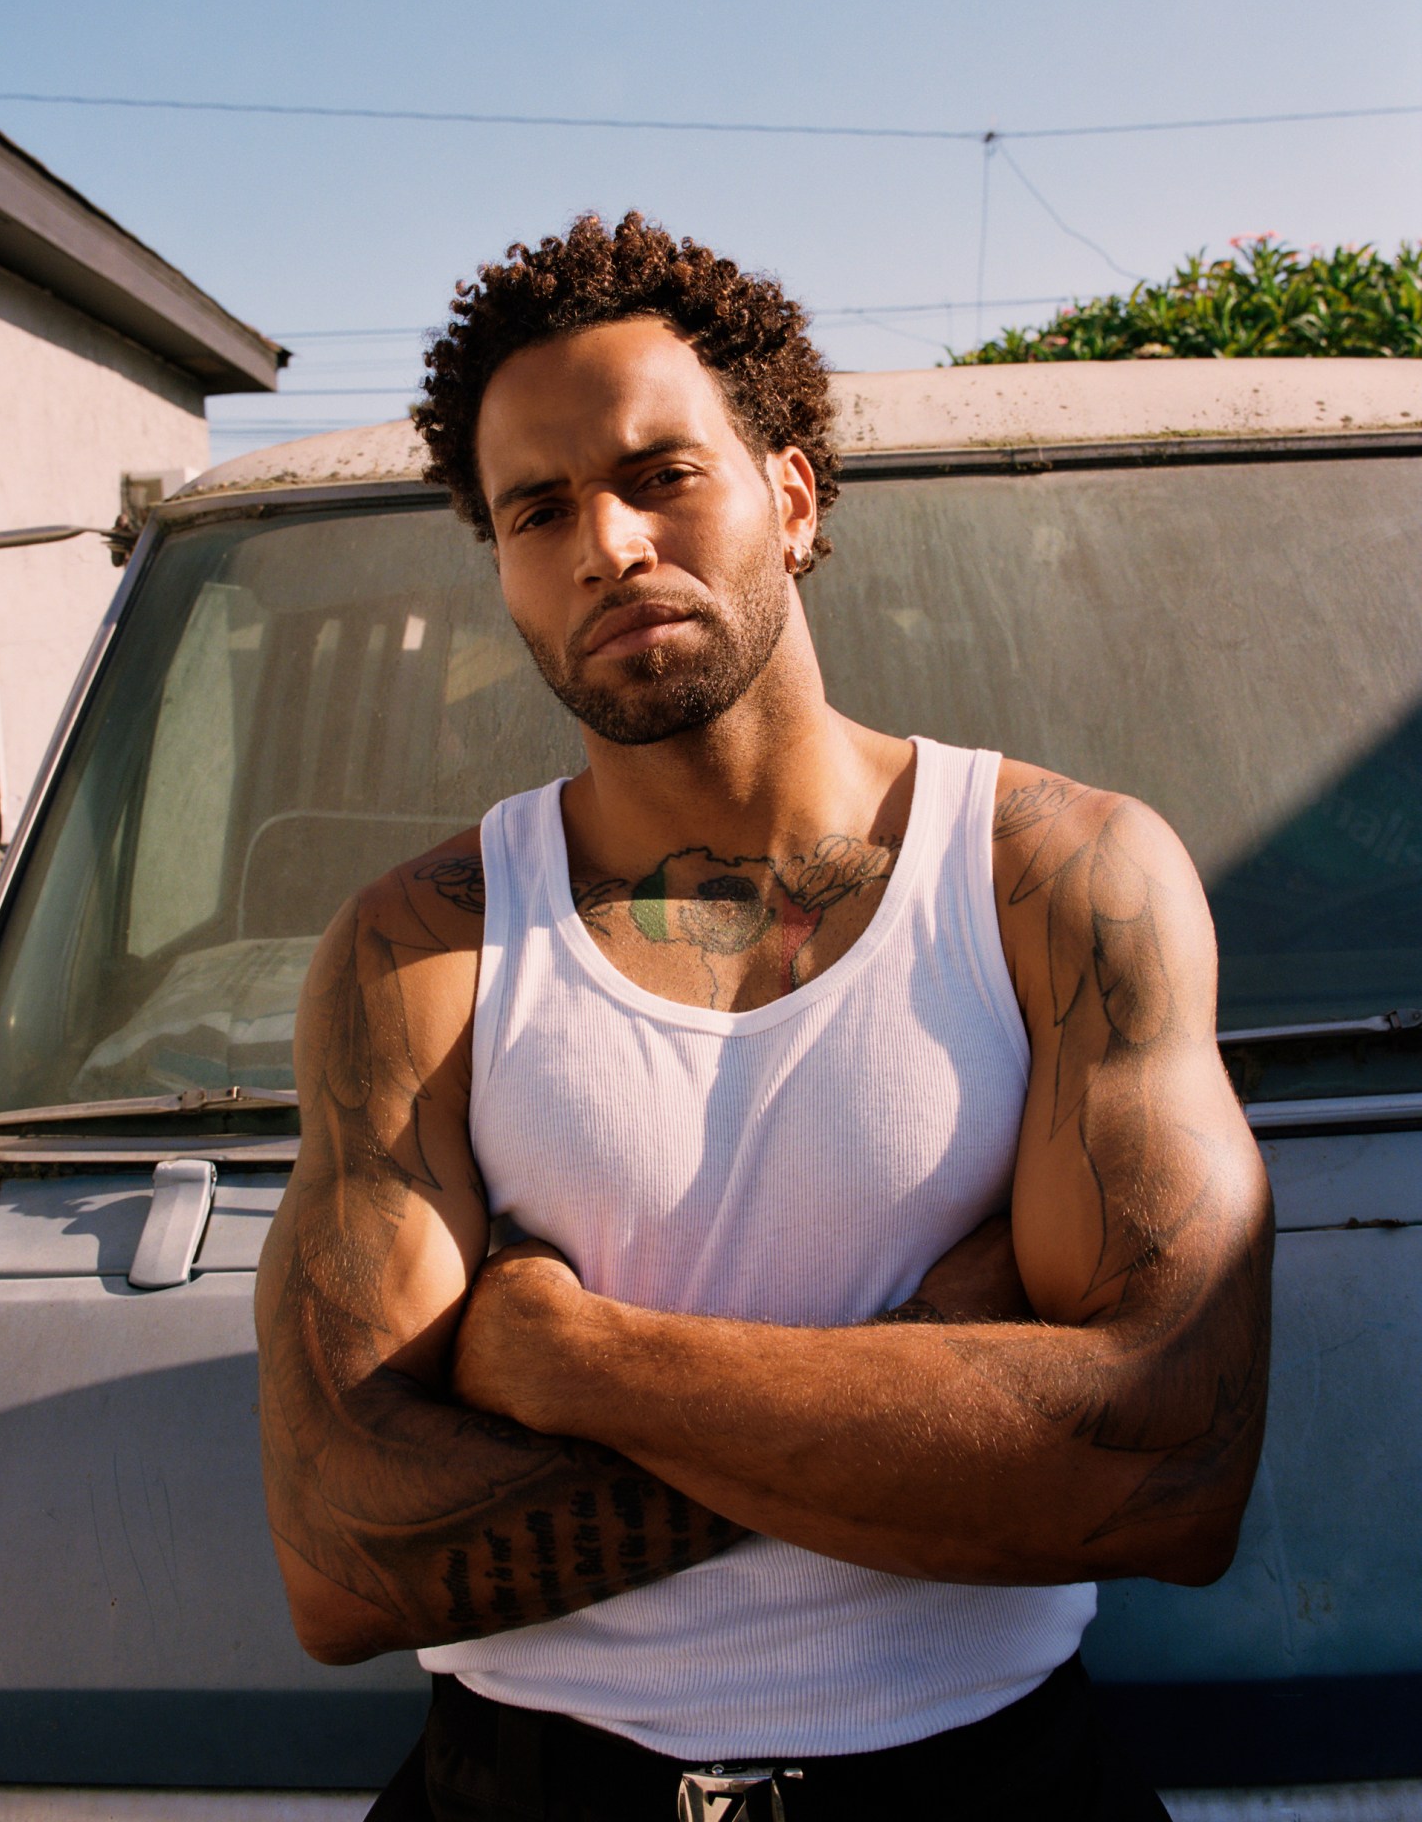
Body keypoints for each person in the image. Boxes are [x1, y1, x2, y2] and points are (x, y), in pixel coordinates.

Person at [255, 212, 1273, 1820]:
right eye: (537, 509)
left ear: (792, 497)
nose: (605, 542)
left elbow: (1170, 1469)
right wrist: (935, 1384)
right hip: (528, 1793)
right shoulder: (418, 953)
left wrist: (572, 1357)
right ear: (505, 572)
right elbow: (341, 1559)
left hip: (983, 1787)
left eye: (661, 473)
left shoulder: (1057, 885)